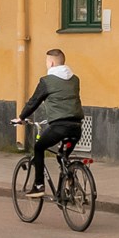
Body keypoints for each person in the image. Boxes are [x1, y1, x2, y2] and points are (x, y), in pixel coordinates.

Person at [18, 50, 83, 185]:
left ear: (51, 63)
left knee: (39, 148)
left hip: (59, 127)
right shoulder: (75, 79)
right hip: (76, 127)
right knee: (62, 157)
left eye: (47, 62)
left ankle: (38, 185)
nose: (46, 64)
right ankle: (69, 183)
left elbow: (34, 101)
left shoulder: (47, 81)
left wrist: (21, 117)